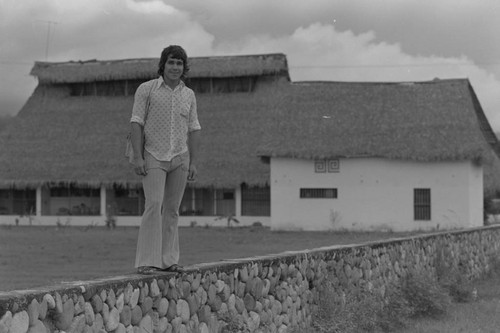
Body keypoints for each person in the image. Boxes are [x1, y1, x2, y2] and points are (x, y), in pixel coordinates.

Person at [130, 45, 201, 275]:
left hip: (180, 158)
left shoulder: (188, 95)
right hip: (153, 155)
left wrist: (194, 162)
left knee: (172, 209)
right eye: (171, 62)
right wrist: (138, 157)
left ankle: (169, 260)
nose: (175, 67)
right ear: (163, 64)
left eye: (179, 63)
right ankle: (146, 261)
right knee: (154, 204)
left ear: (184, 67)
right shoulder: (147, 90)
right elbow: (136, 122)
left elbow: (194, 128)